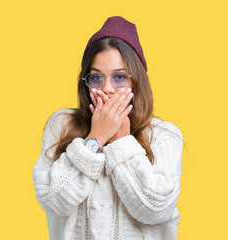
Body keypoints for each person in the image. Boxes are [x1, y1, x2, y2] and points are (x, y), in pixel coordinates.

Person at [32, 16, 183, 240]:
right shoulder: (62, 124)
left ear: (136, 82)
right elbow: (52, 200)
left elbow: (156, 208)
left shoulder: (164, 135)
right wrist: (96, 138)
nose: (108, 89)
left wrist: (120, 142)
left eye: (119, 77)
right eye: (96, 78)